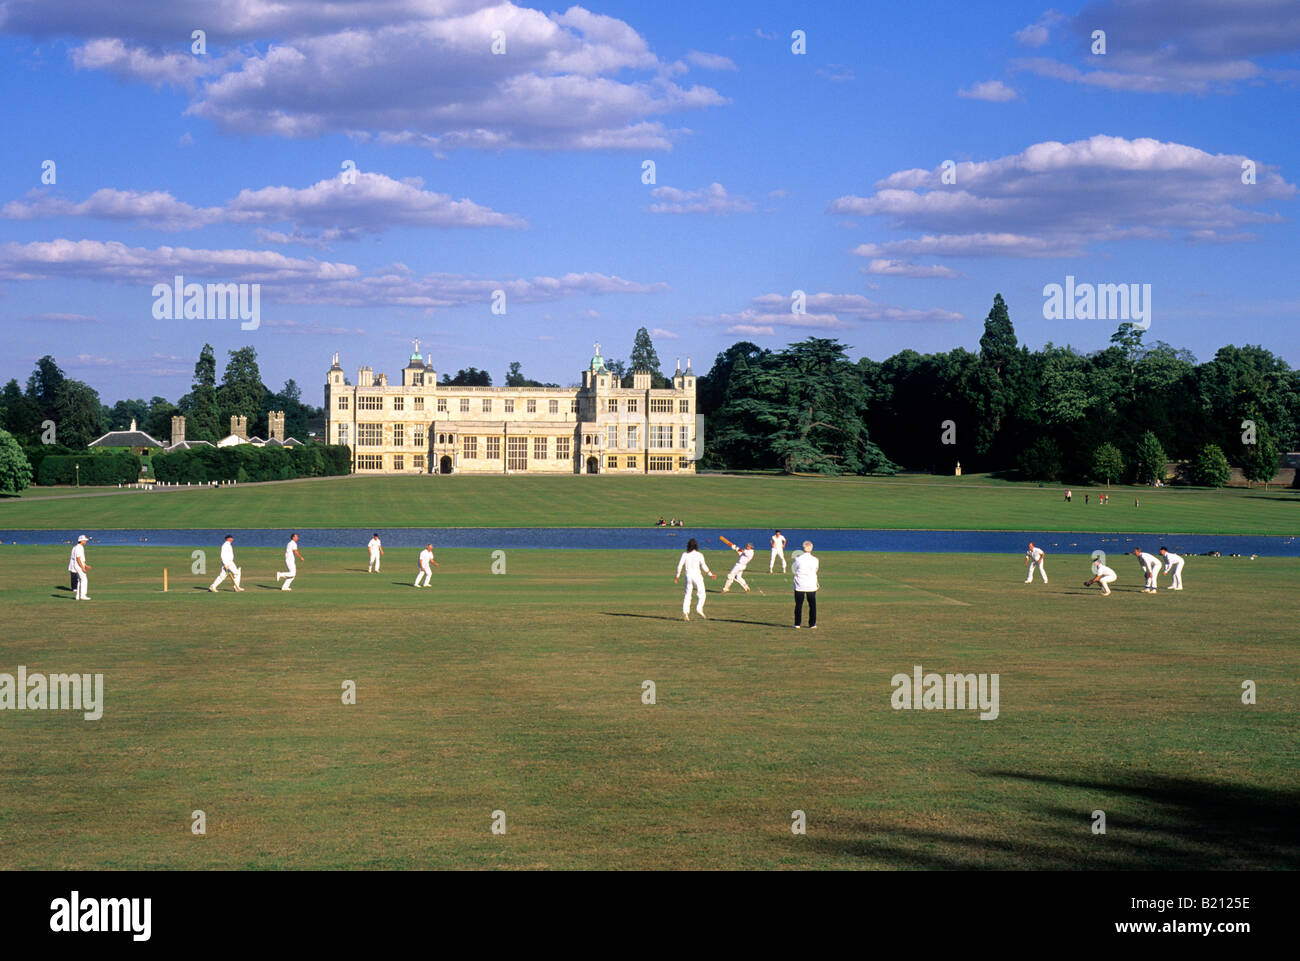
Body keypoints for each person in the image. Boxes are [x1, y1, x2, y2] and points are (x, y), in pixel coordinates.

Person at [674, 538, 715, 621]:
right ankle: (699, 608)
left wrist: (677, 576)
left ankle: (685, 612)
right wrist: (710, 574)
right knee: (702, 594)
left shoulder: (685, 554)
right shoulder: (699, 555)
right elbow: (703, 565)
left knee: (687, 595)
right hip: (697, 577)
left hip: (688, 577)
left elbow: (679, 566)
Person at [792, 541, 820, 629]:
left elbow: (795, 569)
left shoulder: (798, 559)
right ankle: (812, 624)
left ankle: (797, 624)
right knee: (812, 605)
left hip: (800, 584)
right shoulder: (815, 560)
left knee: (798, 604)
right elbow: (816, 570)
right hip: (811, 585)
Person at [68, 534, 91, 601]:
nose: (86, 541)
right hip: (78, 566)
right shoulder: (79, 548)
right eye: (84, 540)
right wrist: (82, 568)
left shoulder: (77, 547)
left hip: (78, 566)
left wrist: (86, 566)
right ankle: (83, 595)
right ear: (81, 541)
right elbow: (78, 558)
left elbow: (81, 559)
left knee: (80, 580)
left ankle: (78, 596)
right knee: (84, 580)